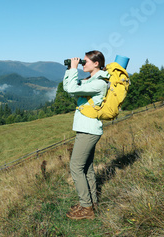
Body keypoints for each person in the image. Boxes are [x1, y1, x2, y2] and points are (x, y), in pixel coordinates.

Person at [63, 50, 109, 220]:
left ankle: (86, 207)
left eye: (86, 61)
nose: (83, 64)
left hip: (89, 130)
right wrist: (70, 69)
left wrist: (74, 69)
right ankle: (92, 203)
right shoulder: (91, 81)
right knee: (87, 168)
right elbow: (68, 88)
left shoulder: (99, 83)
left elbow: (73, 89)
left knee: (75, 167)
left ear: (96, 63)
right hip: (85, 128)